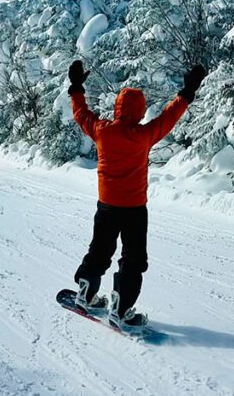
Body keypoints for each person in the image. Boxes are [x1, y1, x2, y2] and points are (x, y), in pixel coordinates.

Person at [67, 60, 205, 329]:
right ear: (141, 111)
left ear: (117, 108)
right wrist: (187, 92)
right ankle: (121, 308)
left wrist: (76, 88)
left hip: (106, 206)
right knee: (133, 259)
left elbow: (81, 114)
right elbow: (169, 117)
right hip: (134, 210)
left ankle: (85, 292)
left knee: (100, 250)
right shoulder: (145, 135)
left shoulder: (102, 131)